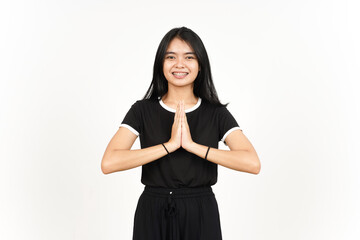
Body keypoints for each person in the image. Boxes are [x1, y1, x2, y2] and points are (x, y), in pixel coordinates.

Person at [101, 26, 261, 240]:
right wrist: (169, 145)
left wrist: (193, 146)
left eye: (189, 57)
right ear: (161, 64)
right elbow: (109, 162)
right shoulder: (142, 110)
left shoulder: (216, 113)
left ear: (200, 65)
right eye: (171, 57)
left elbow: (252, 163)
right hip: (153, 210)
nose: (179, 64)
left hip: (201, 211)